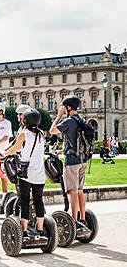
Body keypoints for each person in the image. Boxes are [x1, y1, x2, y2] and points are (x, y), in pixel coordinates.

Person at [4, 108, 47, 239]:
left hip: (26, 173)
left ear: (26, 120)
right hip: (39, 174)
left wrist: (4, 153)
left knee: (25, 201)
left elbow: (15, 148)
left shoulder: (24, 133)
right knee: (38, 201)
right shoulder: (41, 134)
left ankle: (23, 230)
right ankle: (40, 230)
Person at [49, 95, 89, 230]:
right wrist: (63, 151)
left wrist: (58, 116)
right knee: (80, 191)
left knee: (72, 191)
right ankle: (83, 219)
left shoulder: (69, 121)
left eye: (64, 107)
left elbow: (52, 131)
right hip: (83, 160)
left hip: (72, 162)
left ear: (68, 107)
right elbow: (75, 141)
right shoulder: (80, 120)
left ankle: (73, 221)